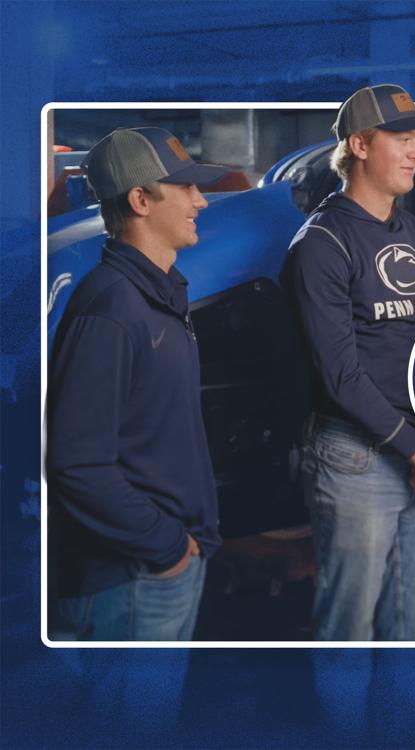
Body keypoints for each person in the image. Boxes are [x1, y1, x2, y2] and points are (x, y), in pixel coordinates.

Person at [281, 84, 415, 641]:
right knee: (348, 635)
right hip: (356, 461)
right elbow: (340, 376)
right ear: (359, 145)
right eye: (402, 139)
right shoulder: (322, 244)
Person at [47, 126, 229, 640]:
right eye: (185, 188)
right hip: (132, 578)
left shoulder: (156, 294)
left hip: (162, 566)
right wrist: (167, 548)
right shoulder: (112, 309)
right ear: (140, 199)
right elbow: (77, 464)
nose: (201, 201)